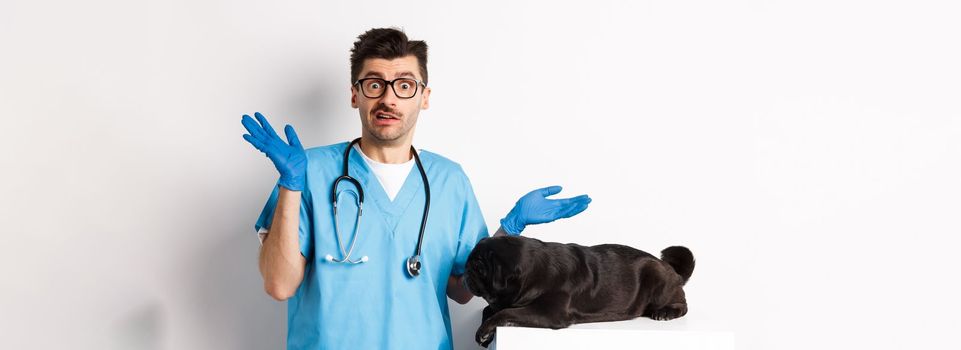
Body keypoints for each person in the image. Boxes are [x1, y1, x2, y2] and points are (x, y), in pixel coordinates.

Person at [240, 27, 592, 350]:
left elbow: (462, 290)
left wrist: (508, 231)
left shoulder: (449, 181)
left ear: (423, 97)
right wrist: (290, 185)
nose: (389, 99)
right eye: (374, 84)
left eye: (404, 85)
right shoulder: (310, 171)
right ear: (355, 95)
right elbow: (279, 285)